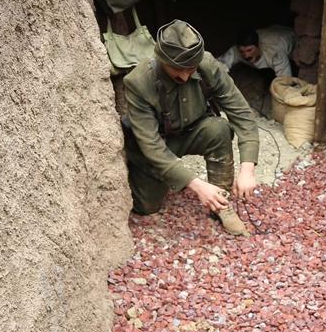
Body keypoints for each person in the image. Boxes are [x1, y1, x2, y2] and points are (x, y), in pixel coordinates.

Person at [121, 19, 260, 236]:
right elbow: (151, 146)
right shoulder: (138, 82)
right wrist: (196, 185)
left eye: (191, 68)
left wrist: (247, 169)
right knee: (146, 206)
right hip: (157, 146)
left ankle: (221, 203)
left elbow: (241, 114)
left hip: (192, 132)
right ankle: (160, 178)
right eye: (177, 69)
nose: (185, 76)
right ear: (161, 60)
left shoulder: (207, 65)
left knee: (219, 129)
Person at [217, 25, 296, 79]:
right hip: (272, 29)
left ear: (258, 45)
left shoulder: (275, 52)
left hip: (292, 37)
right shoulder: (236, 51)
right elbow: (218, 66)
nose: (246, 55)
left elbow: (285, 81)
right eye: (242, 51)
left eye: (249, 50)